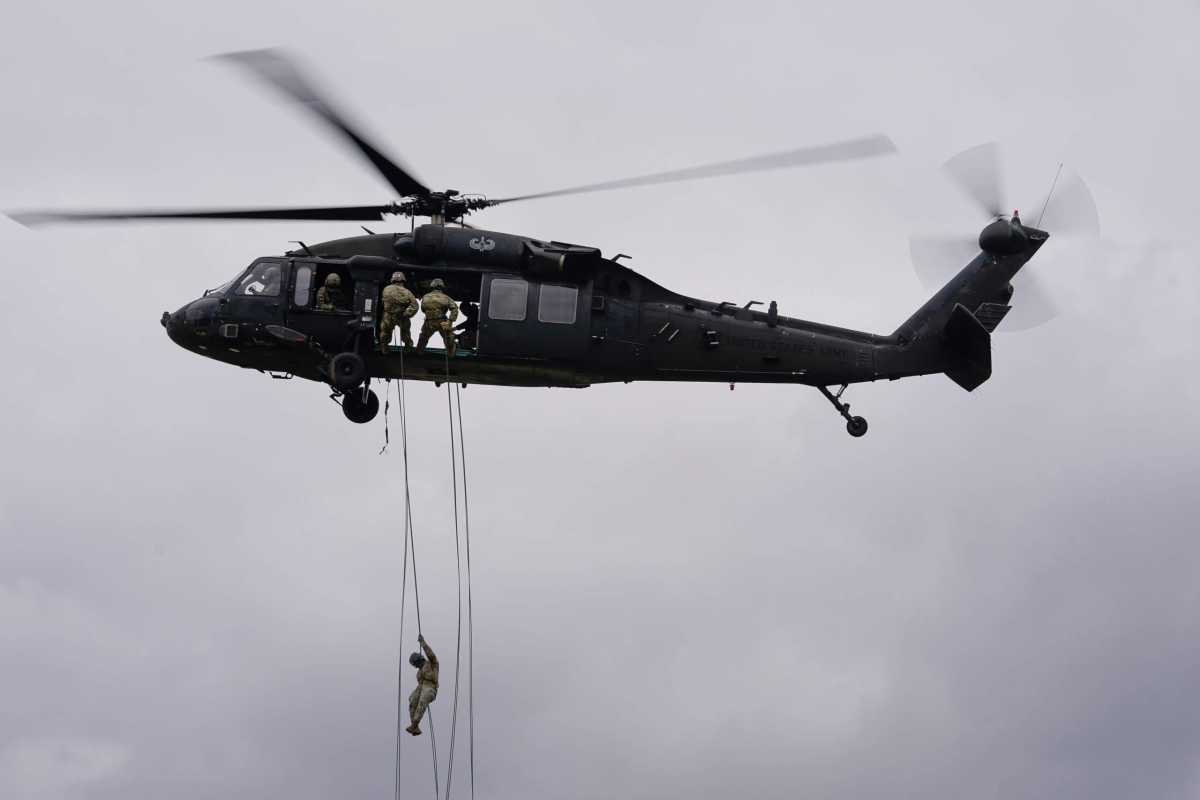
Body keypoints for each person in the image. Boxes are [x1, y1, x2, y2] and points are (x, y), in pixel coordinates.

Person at [415, 278, 459, 357]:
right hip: (442, 322)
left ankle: (418, 353)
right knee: (449, 338)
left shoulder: (425, 297)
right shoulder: (446, 297)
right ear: (442, 287)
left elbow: (423, 309)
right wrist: (450, 321)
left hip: (429, 322)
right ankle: (451, 355)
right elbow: (454, 308)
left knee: (423, 338)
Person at [406, 634, 439, 736]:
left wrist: (422, 643)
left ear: (419, 659)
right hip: (421, 687)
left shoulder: (432, 663)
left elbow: (431, 654)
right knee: (412, 700)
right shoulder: (419, 673)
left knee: (423, 699)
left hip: (430, 687)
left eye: (416, 664)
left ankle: (415, 723)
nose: (416, 666)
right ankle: (414, 726)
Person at [379, 271, 419, 353]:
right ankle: (408, 348)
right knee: (406, 333)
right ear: (403, 280)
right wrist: (406, 314)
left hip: (388, 315)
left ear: (392, 280)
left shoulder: (386, 289)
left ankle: (384, 349)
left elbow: (383, 302)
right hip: (401, 316)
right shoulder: (407, 292)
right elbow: (415, 306)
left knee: (385, 333)